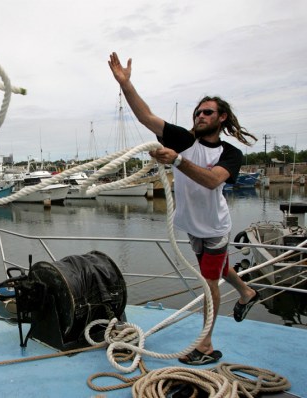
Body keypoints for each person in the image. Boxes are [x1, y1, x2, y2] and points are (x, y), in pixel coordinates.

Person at [108, 52, 260, 366]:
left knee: (208, 282)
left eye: (207, 112)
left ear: (221, 119)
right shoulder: (181, 138)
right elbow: (146, 117)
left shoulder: (229, 153)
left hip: (215, 227)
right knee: (214, 268)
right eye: (197, 112)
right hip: (191, 224)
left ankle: (205, 344)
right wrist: (126, 84)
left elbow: (211, 181)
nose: (200, 116)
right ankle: (247, 292)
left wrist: (177, 160)